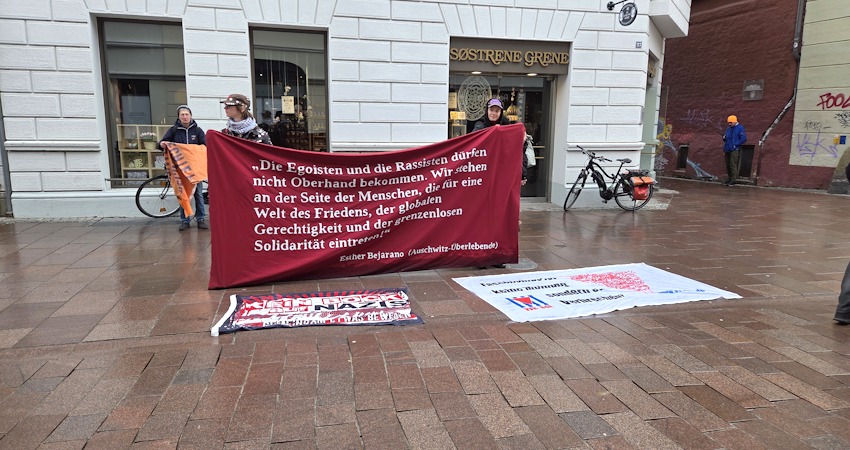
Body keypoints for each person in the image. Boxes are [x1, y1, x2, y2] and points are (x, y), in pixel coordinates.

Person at [472, 98, 528, 269]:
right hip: (484, 183)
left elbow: (519, 152)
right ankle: (480, 256)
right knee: (482, 219)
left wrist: (522, 173)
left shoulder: (509, 128)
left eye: (497, 110)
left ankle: (497, 256)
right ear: (487, 110)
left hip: (502, 183)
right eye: (491, 110)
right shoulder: (480, 126)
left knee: (501, 219)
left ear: (501, 112)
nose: (494, 113)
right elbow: (476, 143)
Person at [159, 105, 207, 231]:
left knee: (198, 195)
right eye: (182, 115)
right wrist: (161, 144)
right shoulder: (174, 130)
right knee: (182, 193)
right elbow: (162, 143)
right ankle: (185, 220)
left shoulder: (198, 131)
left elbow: (205, 146)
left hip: (195, 169)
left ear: (190, 116)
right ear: (179, 117)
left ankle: (201, 219)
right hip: (180, 168)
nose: (185, 117)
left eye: (187, 114)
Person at [722, 115, 747, 185]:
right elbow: (727, 137)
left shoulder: (740, 128)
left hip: (734, 149)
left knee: (733, 164)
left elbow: (743, 138)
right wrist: (724, 138)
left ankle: (733, 179)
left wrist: (736, 144)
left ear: (735, 121)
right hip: (727, 148)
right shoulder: (728, 129)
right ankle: (730, 178)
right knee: (728, 164)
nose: (729, 124)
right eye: (729, 123)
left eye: (731, 122)